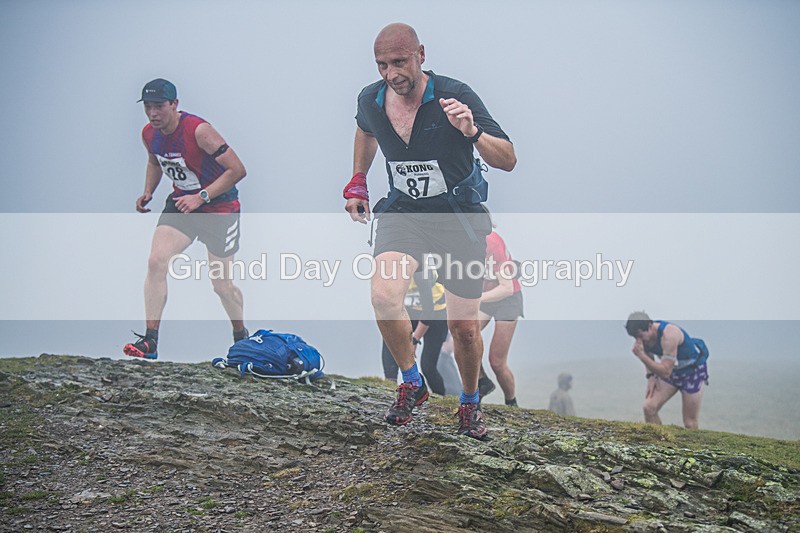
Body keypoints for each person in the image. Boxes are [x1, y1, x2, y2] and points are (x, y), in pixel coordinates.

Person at [343, 23, 516, 439]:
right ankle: (411, 381)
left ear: (421, 54)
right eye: (382, 65)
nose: (391, 74)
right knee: (384, 297)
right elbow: (366, 130)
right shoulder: (371, 99)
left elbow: (508, 158)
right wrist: (358, 180)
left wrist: (472, 132)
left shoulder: (455, 94)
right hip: (404, 213)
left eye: (399, 63)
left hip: (458, 217)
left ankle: (470, 404)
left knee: (464, 328)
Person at [123, 79, 248, 360]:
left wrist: (201, 196)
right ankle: (150, 340)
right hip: (182, 205)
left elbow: (238, 170)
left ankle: (241, 336)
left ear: (174, 105)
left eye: (159, 107)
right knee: (156, 261)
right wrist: (148, 191)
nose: (153, 113)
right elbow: (155, 161)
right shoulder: (149, 134)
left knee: (221, 285)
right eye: (148, 107)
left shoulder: (199, 131)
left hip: (219, 208)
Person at [624, 311, 710, 429]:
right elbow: (650, 355)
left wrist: (641, 356)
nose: (638, 340)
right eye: (634, 337)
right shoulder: (645, 339)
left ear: (650, 326)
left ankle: (693, 447)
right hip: (673, 371)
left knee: (689, 423)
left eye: (640, 335)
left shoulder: (669, 334)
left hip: (692, 372)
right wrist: (651, 376)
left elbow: (665, 371)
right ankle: (658, 441)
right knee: (649, 408)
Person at [381, 271, 449, 395]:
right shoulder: (393, 268)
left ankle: (441, 398)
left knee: (428, 366)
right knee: (390, 339)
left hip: (436, 315)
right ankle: (390, 388)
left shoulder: (420, 270)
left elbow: (429, 311)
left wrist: (415, 339)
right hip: (411, 310)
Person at [478, 229, 523, 406]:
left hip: (508, 299)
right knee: (463, 336)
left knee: (496, 362)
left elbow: (507, 288)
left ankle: (511, 402)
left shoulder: (493, 243)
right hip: (486, 294)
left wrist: (475, 299)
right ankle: (482, 383)